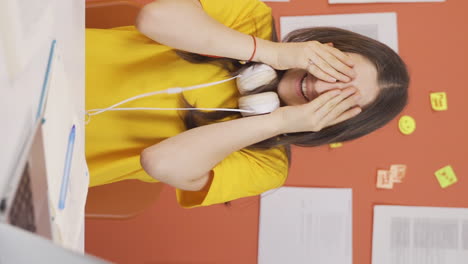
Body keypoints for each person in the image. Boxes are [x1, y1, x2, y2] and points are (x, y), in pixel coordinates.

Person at [85, 0, 409, 208]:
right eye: (338, 70)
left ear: (341, 122)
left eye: (342, 97)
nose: (321, 86)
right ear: (329, 47)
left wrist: (276, 123)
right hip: (54, 62)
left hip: (64, 150)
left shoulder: (268, 168)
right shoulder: (251, 18)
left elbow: (160, 163)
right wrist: (271, 53)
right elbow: (153, 18)